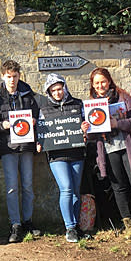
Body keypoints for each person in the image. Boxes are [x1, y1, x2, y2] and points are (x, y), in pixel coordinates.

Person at [82, 68, 131, 240]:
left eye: (103, 81)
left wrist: (117, 123)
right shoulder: (91, 104)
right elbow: (92, 136)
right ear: (93, 85)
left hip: (129, 147)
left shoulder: (124, 97)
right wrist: (86, 130)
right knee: (118, 188)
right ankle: (128, 224)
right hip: (109, 150)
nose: (101, 85)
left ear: (109, 81)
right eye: (97, 83)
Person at [0, 60, 40, 243]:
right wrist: (1, 125)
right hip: (7, 146)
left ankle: (28, 221)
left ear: (19, 76)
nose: (12, 80)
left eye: (15, 76)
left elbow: (38, 113)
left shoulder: (28, 92)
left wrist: (34, 121)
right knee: (12, 187)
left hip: (27, 146)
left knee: (28, 185)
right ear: (2, 76)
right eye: (8, 77)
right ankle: (15, 224)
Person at [36, 74, 86, 243]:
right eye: (53, 90)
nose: (57, 93)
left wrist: (86, 128)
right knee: (66, 188)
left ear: (65, 87)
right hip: (56, 155)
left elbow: (88, 123)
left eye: (60, 88)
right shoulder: (44, 109)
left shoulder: (78, 104)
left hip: (77, 152)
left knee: (76, 191)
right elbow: (40, 132)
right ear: (49, 92)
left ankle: (78, 225)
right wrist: (39, 142)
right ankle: (69, 227)